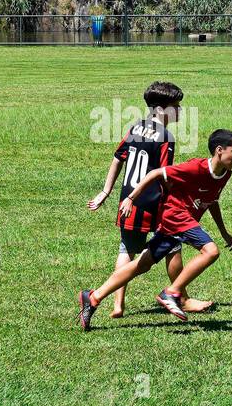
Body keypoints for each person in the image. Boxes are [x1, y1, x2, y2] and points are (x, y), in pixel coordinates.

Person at [78, 129, 232, 330]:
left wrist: (224, 231)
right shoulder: (194, 167)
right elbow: (155, 173)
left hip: (179, 223)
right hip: (176, 216)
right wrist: (131, 198)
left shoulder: (225, 173)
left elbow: (212, 200)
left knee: (142, 264)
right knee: (211, 251)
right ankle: (172, 293)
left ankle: (93, 297)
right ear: (219, 150)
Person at [86, 82, 212, 320]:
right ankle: (181, 298)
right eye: (176, 106)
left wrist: (105, 192)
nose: (181, 110)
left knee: (127, 250)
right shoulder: (166, 137)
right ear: (161, 110)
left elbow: (117, 158)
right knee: (173, 245)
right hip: (153, 201)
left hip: (128, 200)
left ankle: (118, 305)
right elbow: (164, 175)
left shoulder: (135, 128)